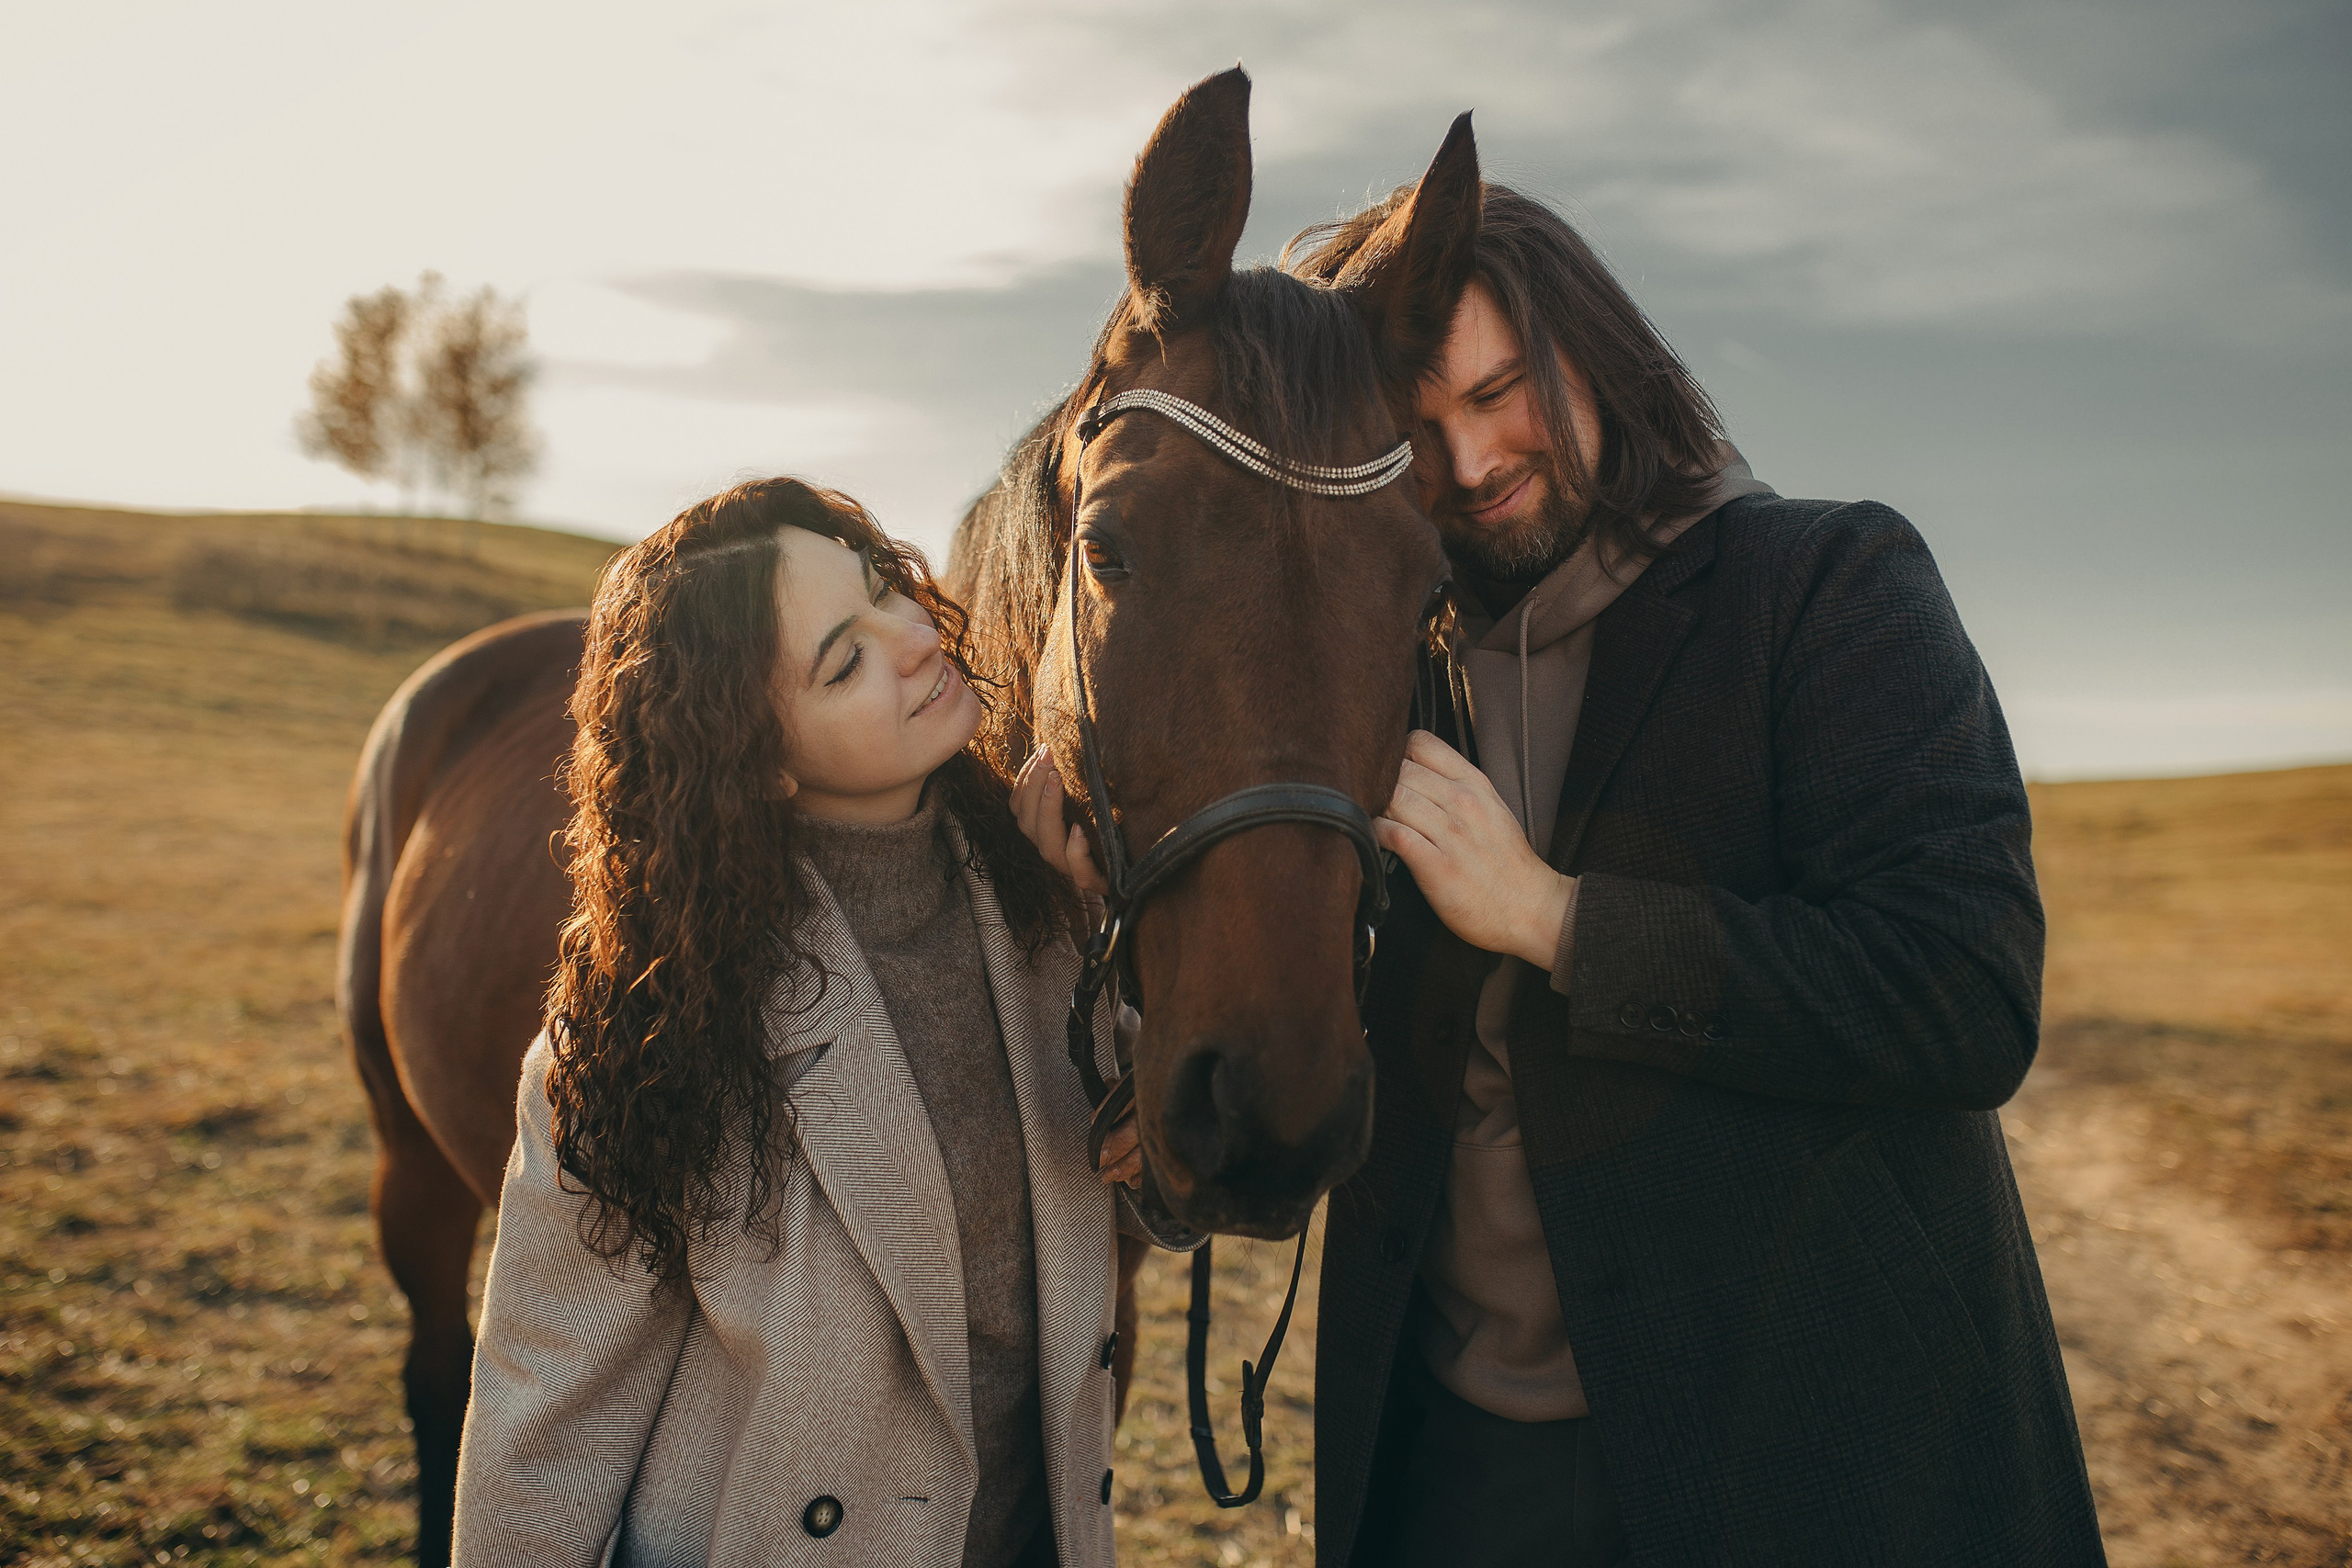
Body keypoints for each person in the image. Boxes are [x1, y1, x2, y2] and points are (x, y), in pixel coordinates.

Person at [1277, 186, 2107, 1562]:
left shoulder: (1829, 579)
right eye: (1418, 432)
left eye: (1498, 393)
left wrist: (1553, 918)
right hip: (1457, 1456)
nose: (1468, 461)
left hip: (1803, 1456)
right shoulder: (1389, 676)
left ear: (1594, 352)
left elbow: (1961, 994)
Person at [450, 478, 1153, 1567]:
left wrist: (1116, 939)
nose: (914, 638)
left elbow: (1156, 1211)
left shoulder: (1046, 913)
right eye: (844, 661)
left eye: (885, 588)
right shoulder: (652, 1034)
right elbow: (545, 1438)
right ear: (759, 760)